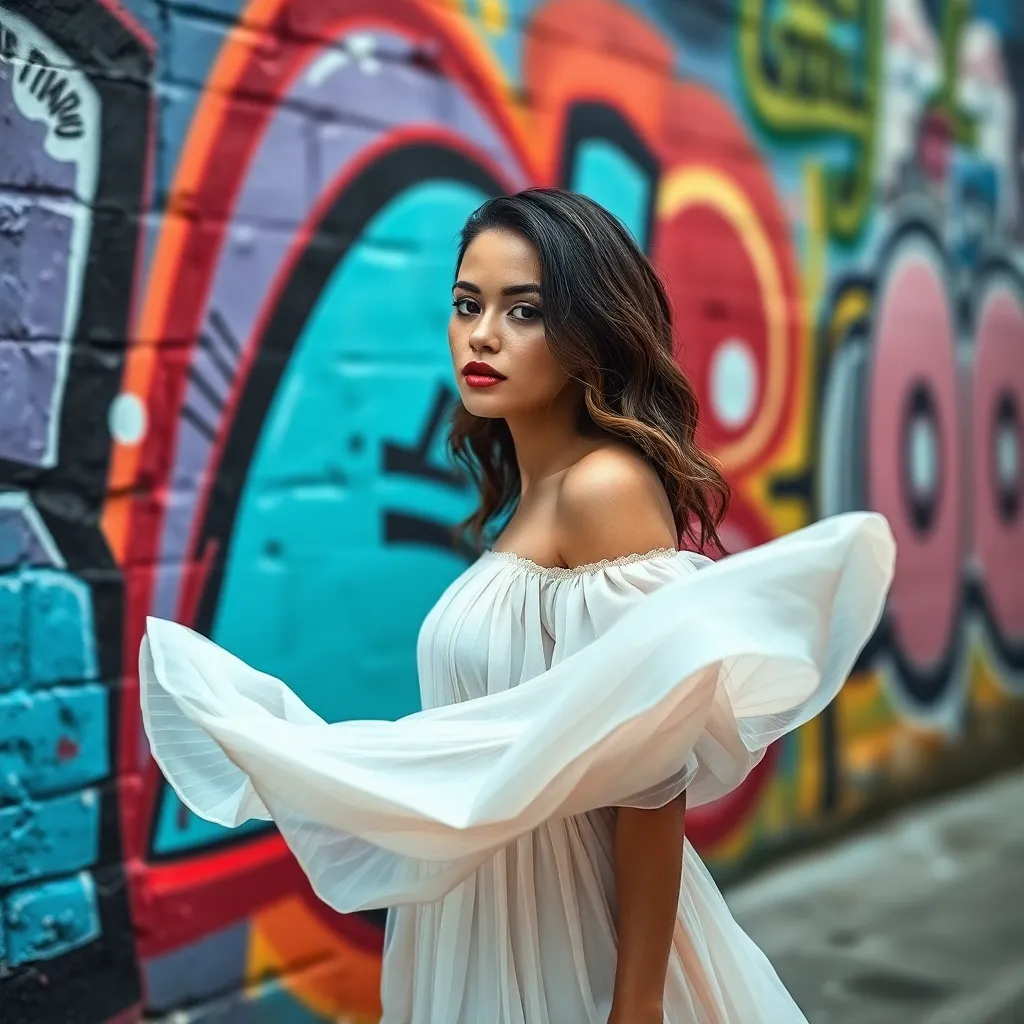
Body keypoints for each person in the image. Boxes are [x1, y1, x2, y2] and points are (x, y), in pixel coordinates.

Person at [140, 188, 896, 1023]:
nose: (483, 334)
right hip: (478, 920)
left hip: (569, 930)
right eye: (468, 304)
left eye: (524, 311)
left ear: (589, 333)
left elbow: (651, 780)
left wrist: (636, 1002)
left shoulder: (602, 489)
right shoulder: (530, 497)